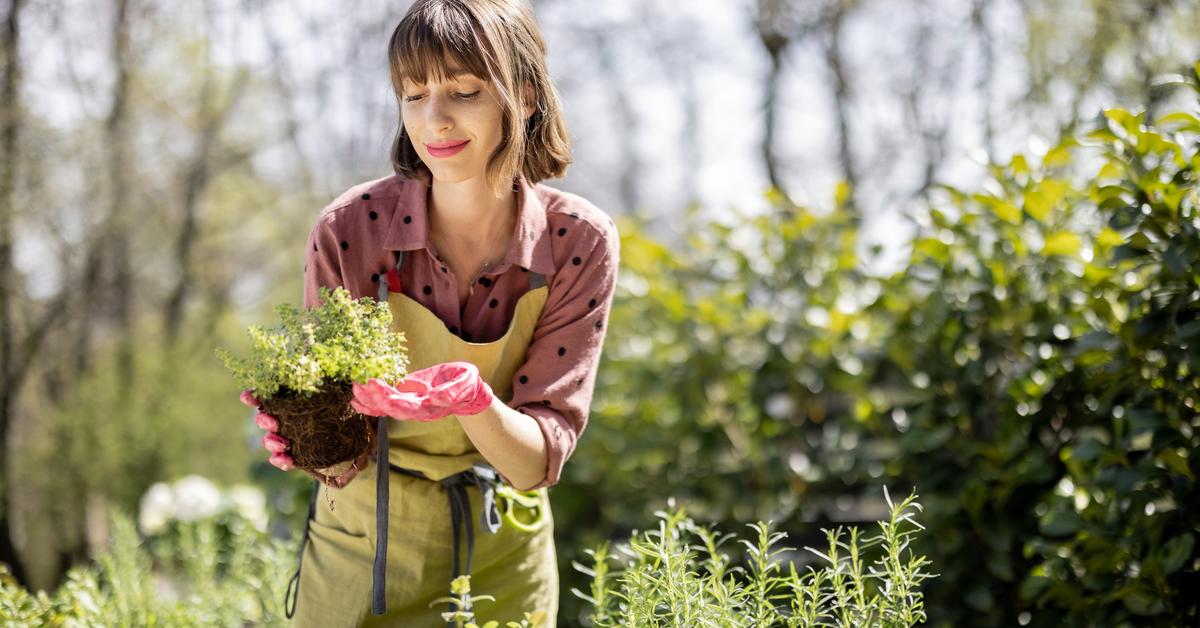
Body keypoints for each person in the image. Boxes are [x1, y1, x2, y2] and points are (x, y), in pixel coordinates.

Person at [237, 1, 620, 625]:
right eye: (413, 95)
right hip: (367, 543)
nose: (434, 119)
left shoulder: (576, 242)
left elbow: (533, 461)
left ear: (522, 98)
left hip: (503, 550)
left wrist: (473, 402)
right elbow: (337, 443)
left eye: (464, 91)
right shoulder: (351, 230)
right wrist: (305, 432)